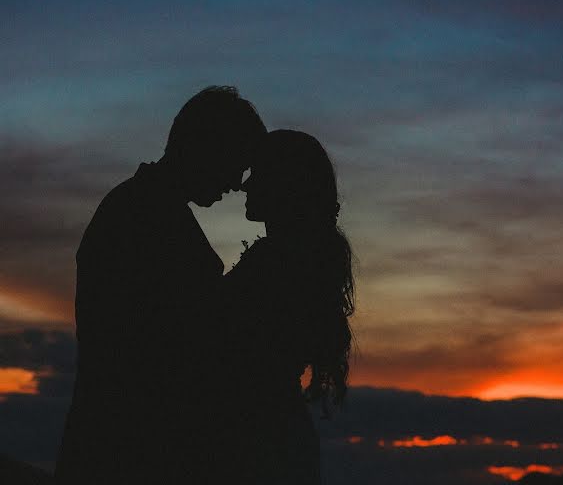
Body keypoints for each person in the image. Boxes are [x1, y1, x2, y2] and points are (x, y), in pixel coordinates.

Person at [55, 87, 267, 485]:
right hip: (129, 452)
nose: (238, 184)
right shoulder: (142, 214)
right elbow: (163, 346)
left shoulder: (143, 206)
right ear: (208, 149)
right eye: (238, 164)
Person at [211, 129, 354, 484]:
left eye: (256, 174)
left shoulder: (277, 266)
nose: (245, 185)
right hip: (275, 439)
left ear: (284, 185)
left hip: (258, 445)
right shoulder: (298, 260)